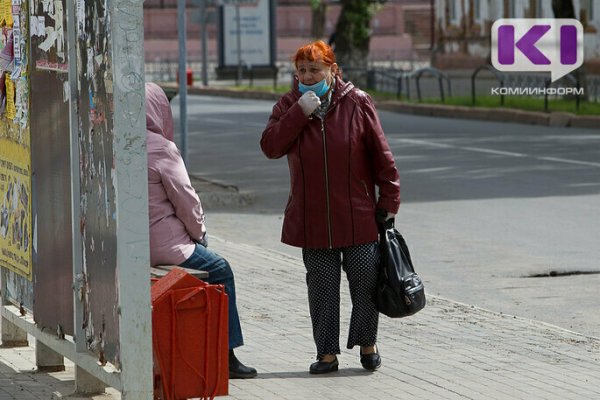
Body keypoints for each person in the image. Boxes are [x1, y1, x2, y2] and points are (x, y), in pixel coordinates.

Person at [260, 40, 400, 374]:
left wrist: (389, 201)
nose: (308, 77)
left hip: (358, 214)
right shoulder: (288, 105)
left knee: (366, 279)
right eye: (302, 71)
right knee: (322, 288)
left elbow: (384, 159)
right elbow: (270, 146)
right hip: (311, 217)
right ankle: (326, 354)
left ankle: (368, 344)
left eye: (315, 70)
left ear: (332, 70)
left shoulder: (357, 102)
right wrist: (299, 113)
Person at [145, 82, 257, 379]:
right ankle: (227, 355)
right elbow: (186, 200)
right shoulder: (161, 148)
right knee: (221, 269)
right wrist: (199, 234)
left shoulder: (113, 143)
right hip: (165, 248)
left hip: (127, 246)